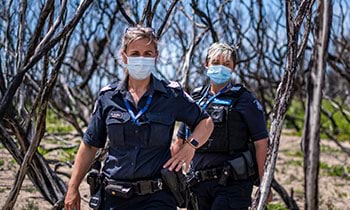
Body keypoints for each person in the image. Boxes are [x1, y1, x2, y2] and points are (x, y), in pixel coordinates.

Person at [64, 26, 214, 210]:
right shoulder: (108, 97)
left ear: (156, 57)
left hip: (157, 197)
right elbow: (90, 145)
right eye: (135, 53)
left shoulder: (171, 94)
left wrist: (190, 147)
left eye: (147, 53)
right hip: (113, 195)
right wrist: (73, 187)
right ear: (124, 56)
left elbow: (205, 122)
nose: (141, 59)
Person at [175, 42, 272, 210]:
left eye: (226, 64)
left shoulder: (245, 99)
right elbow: (180, 140)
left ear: (233, 68)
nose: (221, 68)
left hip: (233, 184)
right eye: (215, 62)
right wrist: (175, 182)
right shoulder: (196, 99)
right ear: (206, 64)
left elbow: (261, 143)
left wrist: (265, 183)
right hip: (197, 183)